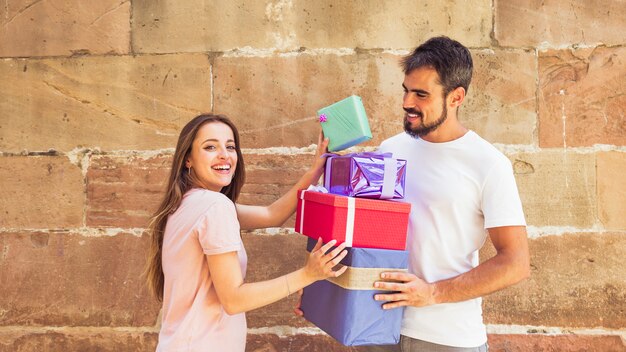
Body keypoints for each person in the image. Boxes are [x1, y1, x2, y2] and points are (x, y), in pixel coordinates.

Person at [357, 36, 530, 351]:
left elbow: (515, 262)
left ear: (456, 97)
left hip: (447, 338)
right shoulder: (389, 150)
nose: (408, 102)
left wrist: (432, 293)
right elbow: (364, 235)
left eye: (421, 94)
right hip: (377, 327)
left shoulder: (489, 164)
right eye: (406, 90)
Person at [144, 114, 348, 352]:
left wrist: (315, 170)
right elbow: (233, 299)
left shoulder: (186, 204)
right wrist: (308, 274)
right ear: (188, 158)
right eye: (210, 147)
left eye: (230, 147)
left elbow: (272, 214)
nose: (224, 155)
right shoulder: (213, 207)